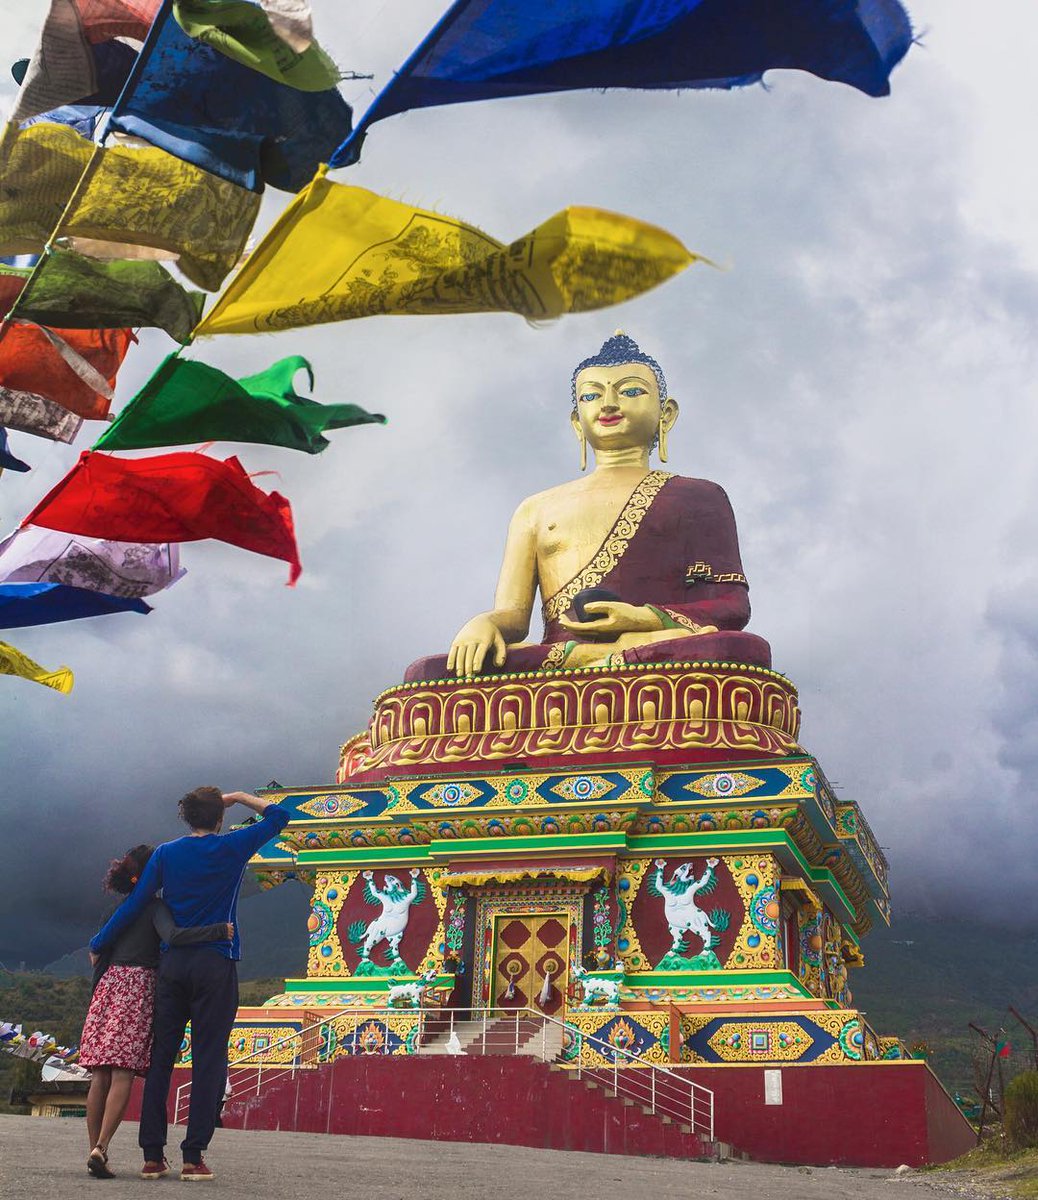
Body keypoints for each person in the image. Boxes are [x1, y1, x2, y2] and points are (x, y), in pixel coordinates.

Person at [404, 331, 771, 682]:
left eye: (630, 391)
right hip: (560, 657)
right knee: (428, 672)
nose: (609, 404)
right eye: (592, 396)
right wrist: (484, 624)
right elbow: (514, 618)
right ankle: (599, 660)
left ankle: (606, 659)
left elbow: (731, 607)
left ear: (666, 413)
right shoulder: (536, 509)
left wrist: (641, 619)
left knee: (735, 648)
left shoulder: (698, 496)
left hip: (657, 645)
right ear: (576, 421)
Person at [88, 787, 289, 1182]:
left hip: (172, 965)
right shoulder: (233, 846)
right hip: (215, 962)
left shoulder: (165, 854)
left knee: (161, 1058)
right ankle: (193, 1156)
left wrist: (98, 942)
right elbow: (281, 817)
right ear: (219, 818)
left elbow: (135, 904)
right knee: (208, 1058)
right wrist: (242, 797)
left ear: (187, 818)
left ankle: (151, 1155)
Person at [80, 845, 232, 1179]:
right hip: (138, 988)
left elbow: (96, 954)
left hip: (107, 989)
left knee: (100, 1074)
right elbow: (174, 936)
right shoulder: (155, 908)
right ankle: (102, 1146)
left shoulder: (115, 912)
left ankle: (96, 1149)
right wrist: (218, 931)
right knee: (123, 1072)